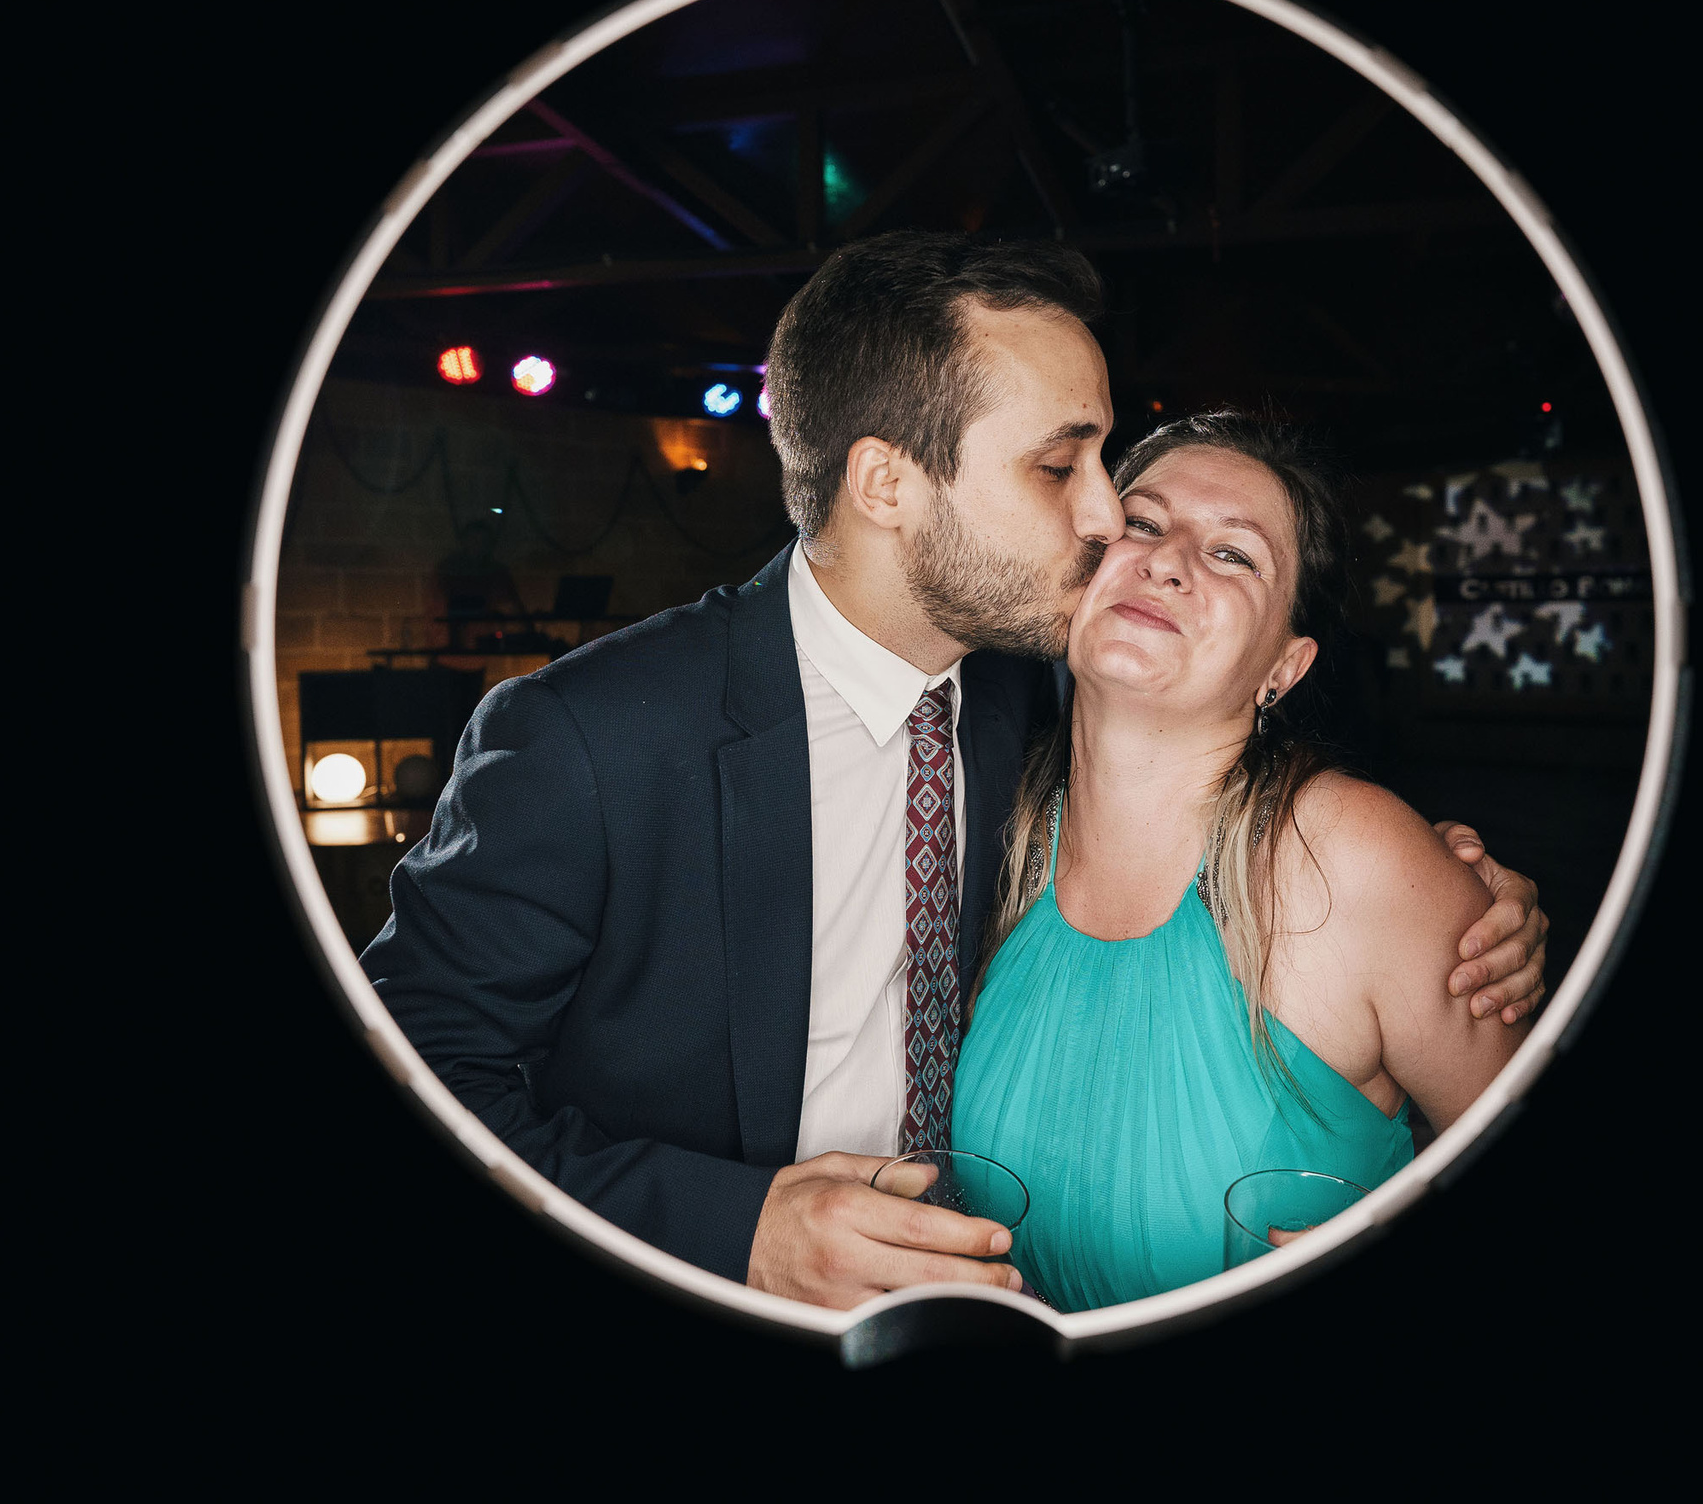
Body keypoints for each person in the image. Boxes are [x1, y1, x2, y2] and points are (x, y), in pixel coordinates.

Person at [361, 232, 1550, 1310]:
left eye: (1104, 469)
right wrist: (735, 1233)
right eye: (1060, 468)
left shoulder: (1019, 696)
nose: (1106, 519)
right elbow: (413, 1076)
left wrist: (1452, 899)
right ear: (887, 484)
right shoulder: (589, 738)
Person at [955, 412, 1523, 1311]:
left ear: (1284, 668)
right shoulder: (993, 832)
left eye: (1233, 554)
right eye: (1142, 522)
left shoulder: (1353, 860)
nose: (1168, 560)